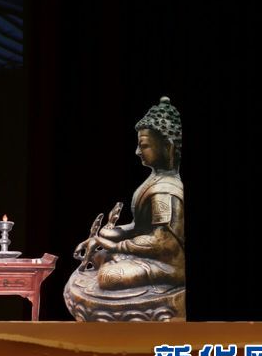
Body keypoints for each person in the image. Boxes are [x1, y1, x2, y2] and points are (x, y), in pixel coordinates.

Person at [65, 97, 185, 321]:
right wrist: (106, 236)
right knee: (101, 252)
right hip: (147, 253)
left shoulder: (165, 190)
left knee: (109, 276)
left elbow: (164, 243)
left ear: (167, 147)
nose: (138, 151)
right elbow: (141, 227)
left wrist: (116, 245)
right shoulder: (154, 180)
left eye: (144, 145)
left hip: (169, 265)